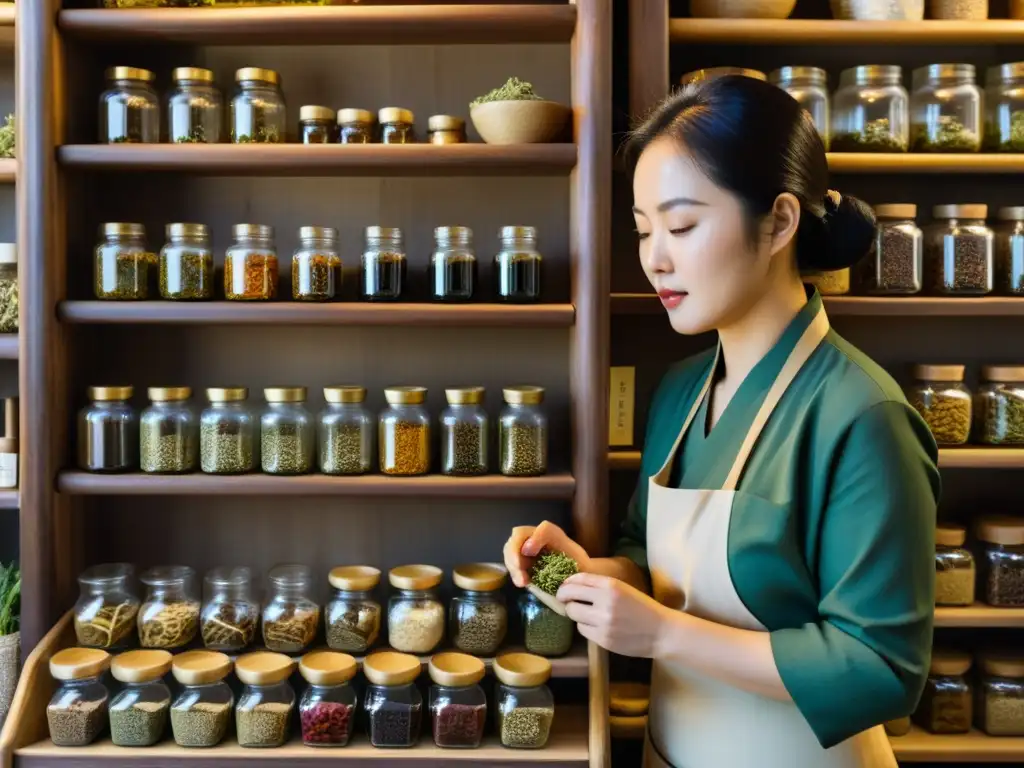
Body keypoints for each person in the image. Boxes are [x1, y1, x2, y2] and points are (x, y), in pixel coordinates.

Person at [503, 76, 939, 768]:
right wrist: (591, 575)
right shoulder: (679, 393)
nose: (655, 258)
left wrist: (665, 636)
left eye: (681, 226)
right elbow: (651, 562)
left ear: (780, 222)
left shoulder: (864, 415)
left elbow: (882, 669)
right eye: (645, 231)